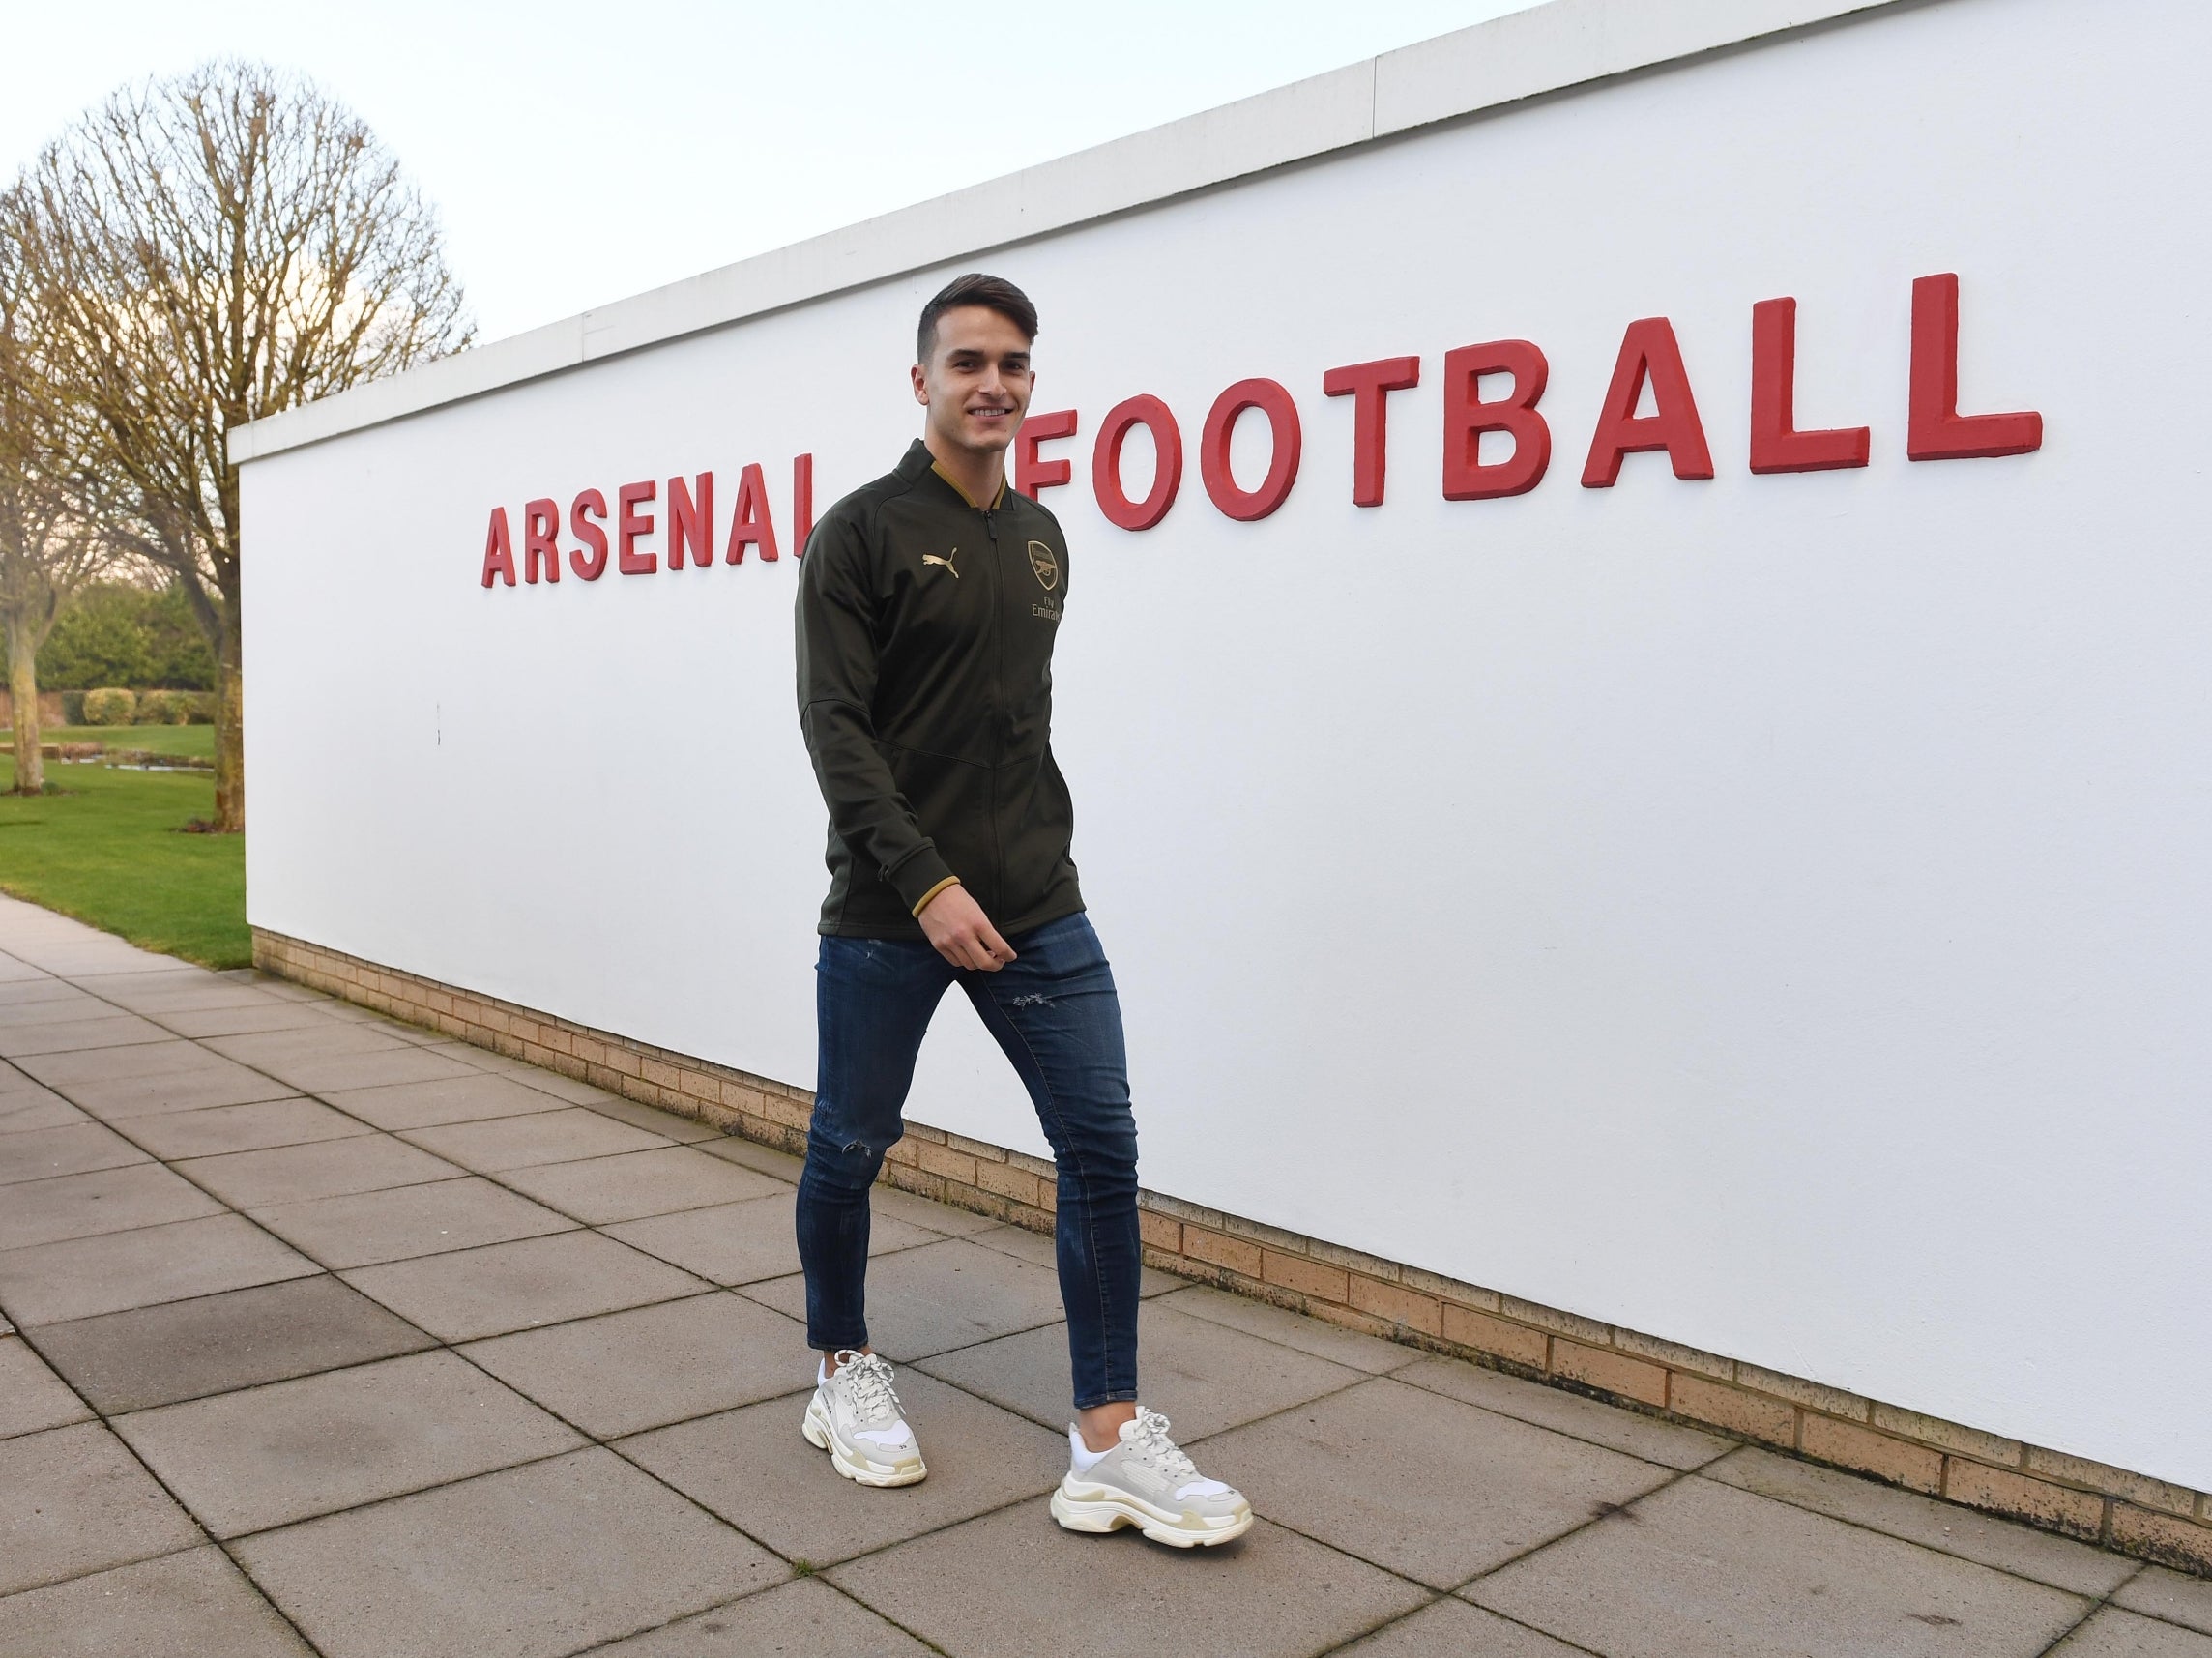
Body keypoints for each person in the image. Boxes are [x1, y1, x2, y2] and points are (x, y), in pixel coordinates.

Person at [790, 272, 1252, 1548]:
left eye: (1015, 364)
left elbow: (1013, 726)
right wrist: (926, 882)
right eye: (970, 361)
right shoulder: (863, 532)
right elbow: (836, 731)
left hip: (1038, 901)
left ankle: (1107, 1441)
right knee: (850, 1145)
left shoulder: (1044, 535)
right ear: (923, 379)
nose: (994, 382)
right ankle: (842, 1369)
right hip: (891, 908)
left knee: (1101, 1144)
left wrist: (1010, 869)